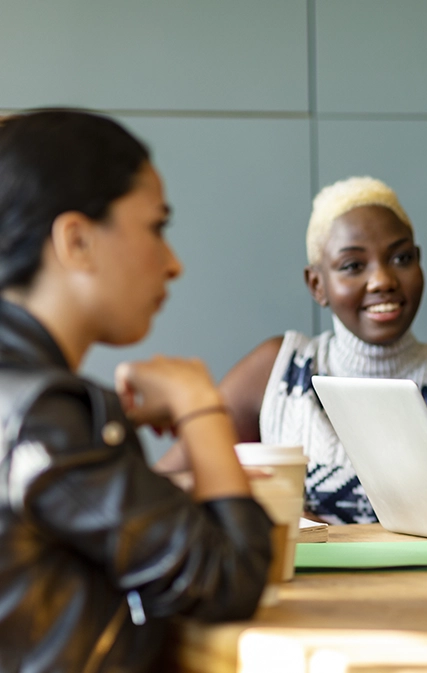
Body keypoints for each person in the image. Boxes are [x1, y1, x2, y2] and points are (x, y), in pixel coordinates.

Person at [0, 110, 272, 671]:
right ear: (76, 240)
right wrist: (201, 405)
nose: (173, 264)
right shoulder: (46, 416)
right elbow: (228, 578)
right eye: (156, 227)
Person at [161, 176, 427, 524]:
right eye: (353, 265)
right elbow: (165, 486)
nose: (383, 280)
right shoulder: (277, 369)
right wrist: (267, 509)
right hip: (304, 598)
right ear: (317, 286)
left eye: (401, 258)